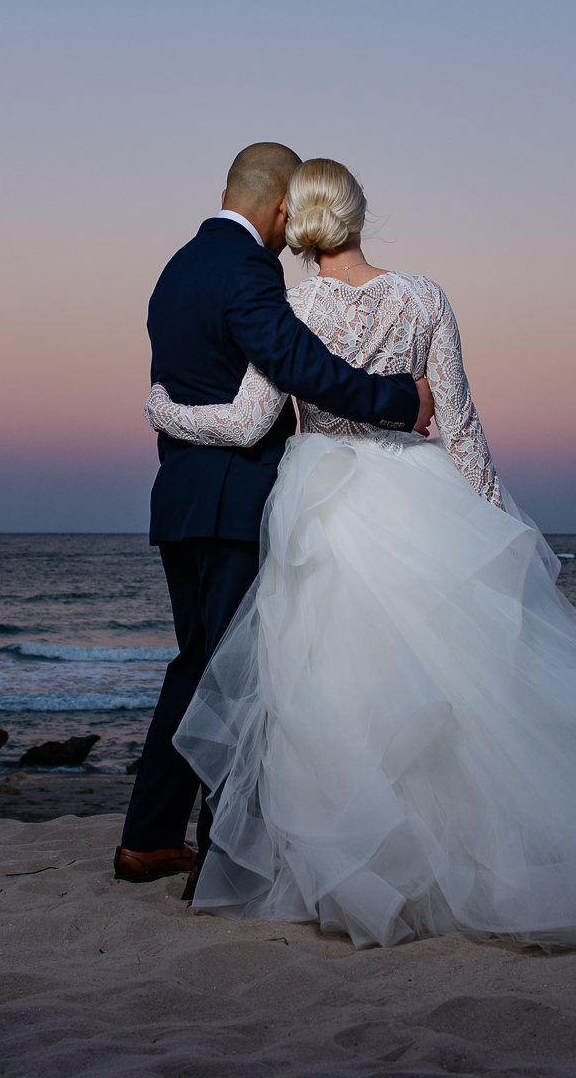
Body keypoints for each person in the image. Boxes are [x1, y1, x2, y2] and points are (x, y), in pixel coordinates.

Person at [145, 158, 576, 949]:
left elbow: (244, 421)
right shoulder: (426, 296)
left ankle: (347, 867)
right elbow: (461, 426)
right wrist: (499, 528)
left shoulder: (297, 304)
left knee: (329, 688)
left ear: (294, 224)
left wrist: (161, 407)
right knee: (459, 688)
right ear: (359, 215)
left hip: (324, 502)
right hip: (417, 498)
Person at [116, 143, 435, 892]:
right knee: (235, 678)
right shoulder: (248, 272)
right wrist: (400, 401)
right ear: (283, 204)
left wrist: (161, 411)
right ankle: (220, 856)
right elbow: (300, 366)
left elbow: (181, 383)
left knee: (195, 666)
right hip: (234, 501)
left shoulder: (176, 268)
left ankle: (147, 839)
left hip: (181, 497)